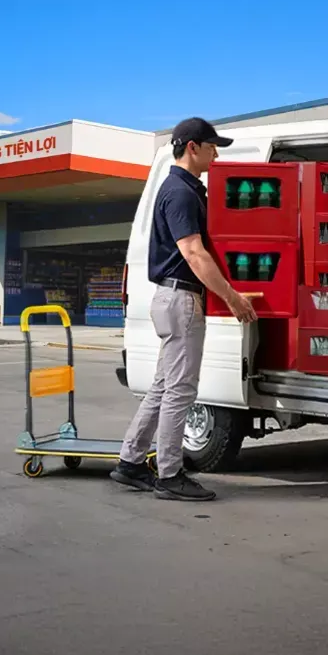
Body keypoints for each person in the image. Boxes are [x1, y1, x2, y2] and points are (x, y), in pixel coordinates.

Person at [110, 117, 258, 501]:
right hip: (181, 299)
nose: (216, 152)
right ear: (192, 147)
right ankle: (170, 474)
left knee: (163, 387)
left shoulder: (186, 188)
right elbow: (193, 252)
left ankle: (130, 462)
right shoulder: (180, 192)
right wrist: (233, 297)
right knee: (180, 390)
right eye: (212, 146)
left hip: (172, 298)